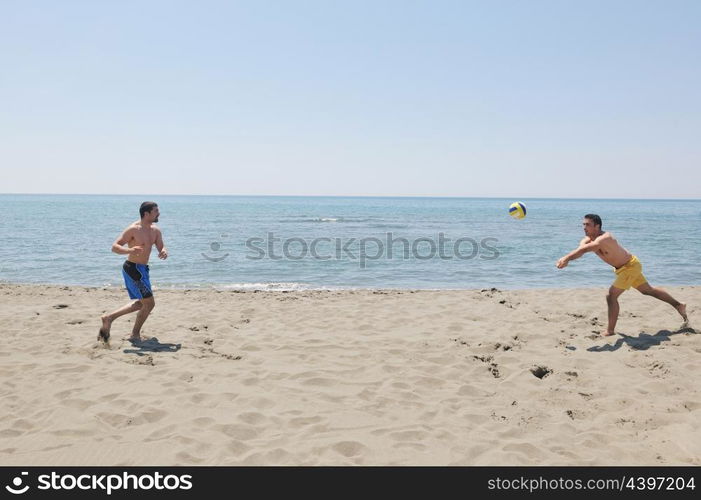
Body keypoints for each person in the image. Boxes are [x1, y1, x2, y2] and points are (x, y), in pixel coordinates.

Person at [556, 214, 687, 336]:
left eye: (587, 225)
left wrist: (566, 258)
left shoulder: (605, 238)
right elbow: (581, 250)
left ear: (597, 226)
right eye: (583, 225)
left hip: (630, 267)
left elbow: (585, 249)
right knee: (648, 290)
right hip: (626, 268)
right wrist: (568, 260)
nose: (584, 228)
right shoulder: (588, 239)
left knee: (611, 296)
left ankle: (610, 331)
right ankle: (678, 305)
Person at [98, 202, 168, 343]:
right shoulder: (133, 229)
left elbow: (161, 246)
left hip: (143, 270)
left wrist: (163, 251)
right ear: (146, 213)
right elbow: (115, 247)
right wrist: (129, 250)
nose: (158, 213)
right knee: (149, 303)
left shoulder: (156, 231)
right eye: (155, 211)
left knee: (143, 303)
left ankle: (109, 318)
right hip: (132, 268)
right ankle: (135, 334)